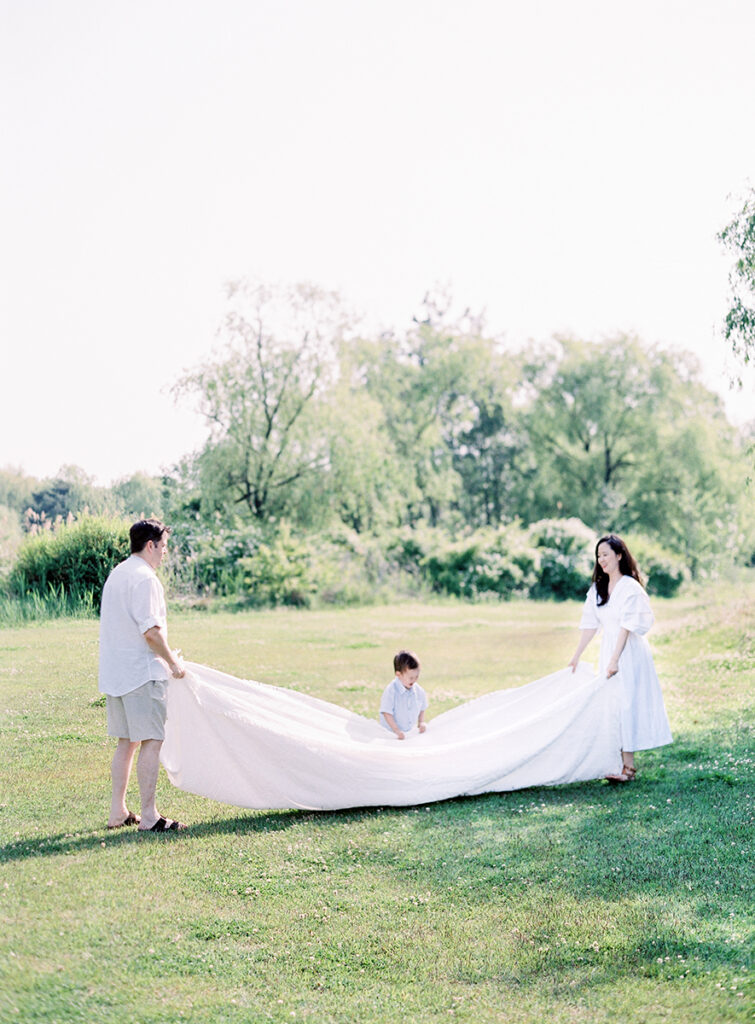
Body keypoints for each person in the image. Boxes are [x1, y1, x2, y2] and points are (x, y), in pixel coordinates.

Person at [99, 518, 188, 831]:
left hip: (117, 674)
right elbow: (151, 632)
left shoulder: (118, 574)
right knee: (152, 740)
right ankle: (149, 817)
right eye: (163, 546)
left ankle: (118, 812)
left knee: (126, 742)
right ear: (150, 545)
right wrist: (173, 663)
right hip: (141, 673)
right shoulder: (145, 579)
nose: (165, 553)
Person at [569, 534, 672, 782]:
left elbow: (627, 626)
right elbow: (590, 625)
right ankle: (617, 763)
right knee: (611, 704)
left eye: (606, 554)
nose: (601, 560)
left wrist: (615, 659)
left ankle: (628, 767)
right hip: (610, 650)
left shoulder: (630, 588)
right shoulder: (598, 589)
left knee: (625, 703)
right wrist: (576, 655)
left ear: (618, 555)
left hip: (628, 652)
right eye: (598, 556)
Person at [379, 650, 428, 740]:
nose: (414, 680)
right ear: (399, 674)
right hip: (391, 734)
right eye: (411, 678)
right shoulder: (391, 691)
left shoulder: (418, 691)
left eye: (416, 676)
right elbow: (387, 713)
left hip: (408, 734)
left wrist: (421, 722)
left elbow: (422, 708)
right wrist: (396, 731)